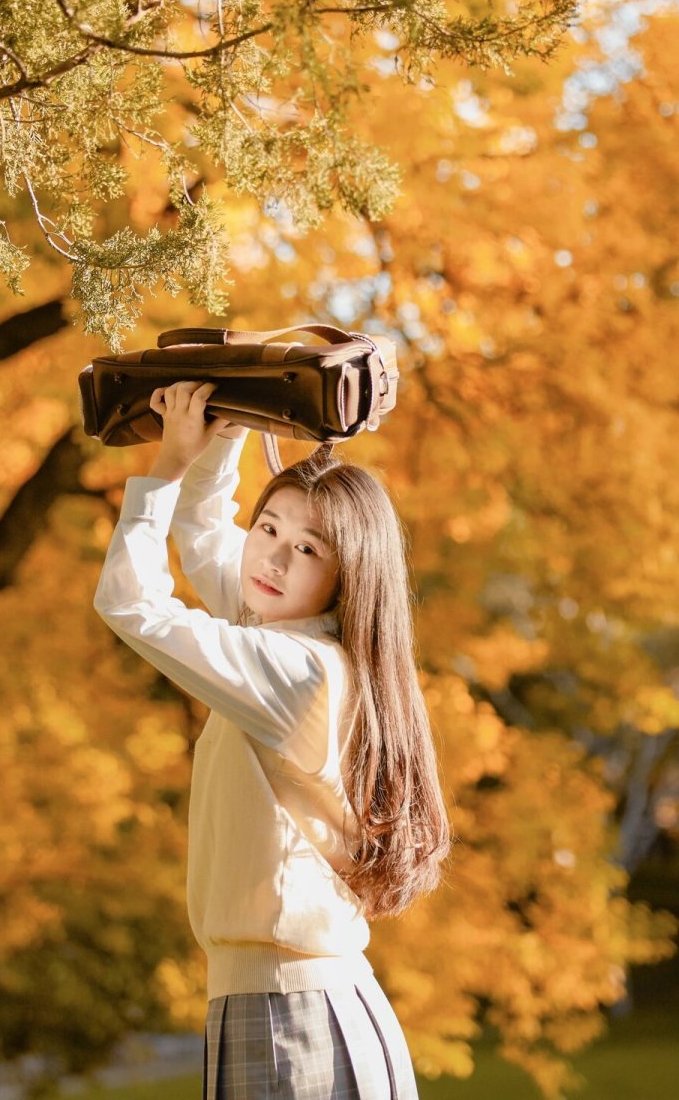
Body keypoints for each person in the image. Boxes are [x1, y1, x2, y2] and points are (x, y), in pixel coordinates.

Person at [94, 380, 451, 1099]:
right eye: (269, 530)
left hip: (293, 1019)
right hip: (290, 1010)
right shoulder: (290, 639)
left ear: (348, 578)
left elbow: (130, 603)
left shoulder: (296, 674)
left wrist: (164, 466)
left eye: (308, 548)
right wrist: (221, 430)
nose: (275, 562)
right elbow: (202, 533)